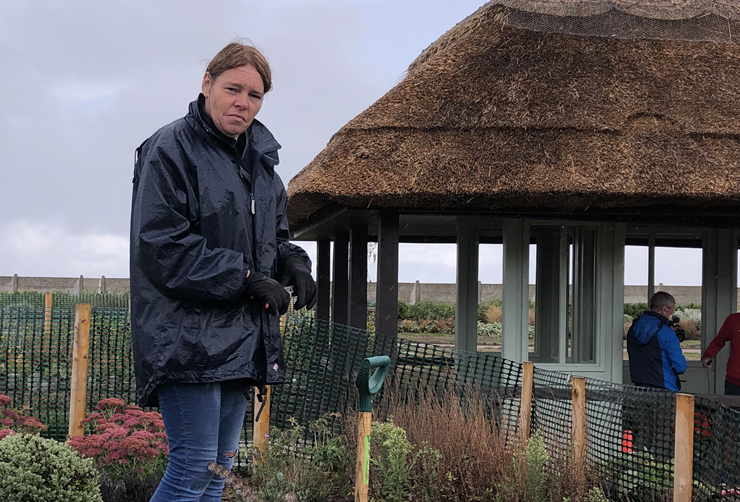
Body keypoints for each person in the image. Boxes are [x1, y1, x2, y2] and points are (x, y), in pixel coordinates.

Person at [130, 41, 317, 502]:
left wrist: (293, 261)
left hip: (240, 339)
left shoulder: (263, 166)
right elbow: (161, 246)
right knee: (193, 466)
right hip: (185, 337)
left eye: (254, 96)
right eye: (233, 88)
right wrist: (247, 277)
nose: (243, 102)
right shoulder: (170, 148)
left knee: (218, 470)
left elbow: (272, 238)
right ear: (207, 83)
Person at [627, 291, 687, 391]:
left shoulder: (633, 329)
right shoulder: (666, 332)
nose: (672, 313)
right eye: (671, 309)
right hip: (665, 388)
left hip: (639, 388)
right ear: (664, 309)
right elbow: (680, 366)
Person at [701, 313, 740, 395]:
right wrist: (708, 355)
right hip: (734, 382)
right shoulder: (734, 320)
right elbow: (719, 340)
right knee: (732, 407)